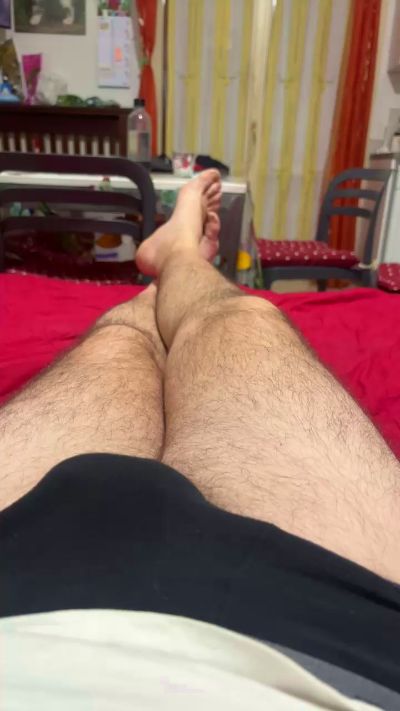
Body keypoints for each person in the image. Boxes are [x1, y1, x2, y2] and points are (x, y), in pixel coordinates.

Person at [1, 170, 400, 710]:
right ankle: (180, 260)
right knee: (237, 317)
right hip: (351, 645)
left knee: (120, 343)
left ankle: (165, 274)